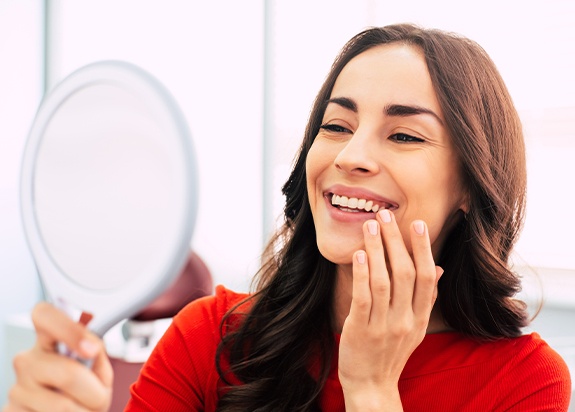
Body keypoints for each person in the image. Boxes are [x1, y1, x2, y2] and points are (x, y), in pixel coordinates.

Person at [5, 23, 572, 412]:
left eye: (403, 134)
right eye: (335, 126)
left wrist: (371, 388)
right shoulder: (209, 339)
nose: (350, 156)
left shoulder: (525, 384)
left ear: (471, 186)